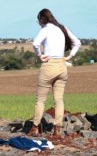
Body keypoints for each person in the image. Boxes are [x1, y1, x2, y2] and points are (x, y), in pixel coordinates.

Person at [28, 8, 81, 138]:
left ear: (41, 19)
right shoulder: (62, 28)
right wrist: (69, 56)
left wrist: (40, 55)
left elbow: (35, 44)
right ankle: (57, 129)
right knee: (59, 100)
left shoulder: (45, 29)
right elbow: (77, 43)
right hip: (62, 66)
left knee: (40, 100)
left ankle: (35, 127)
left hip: (49, 65)